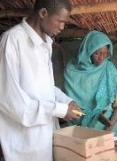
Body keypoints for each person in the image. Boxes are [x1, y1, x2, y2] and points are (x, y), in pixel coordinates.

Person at [0, 1, 82, 161]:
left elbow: (45, 88)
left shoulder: (46, 44)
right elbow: (11, 102)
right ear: (43, 13)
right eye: (61, 21)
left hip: (44, 140)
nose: (62, 27)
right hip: (24, 145)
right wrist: (59, 110)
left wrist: (66, 102)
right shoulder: (12, 41)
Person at [64, 31, 117, 137]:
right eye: (97, 53)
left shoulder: (108, 68)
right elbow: (70, 102)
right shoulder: (72, 70)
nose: (101, 58)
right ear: (88, 51)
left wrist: (111, 125)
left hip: (108, 122)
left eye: (105, 53)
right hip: (82, 124)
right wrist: (88, 115)